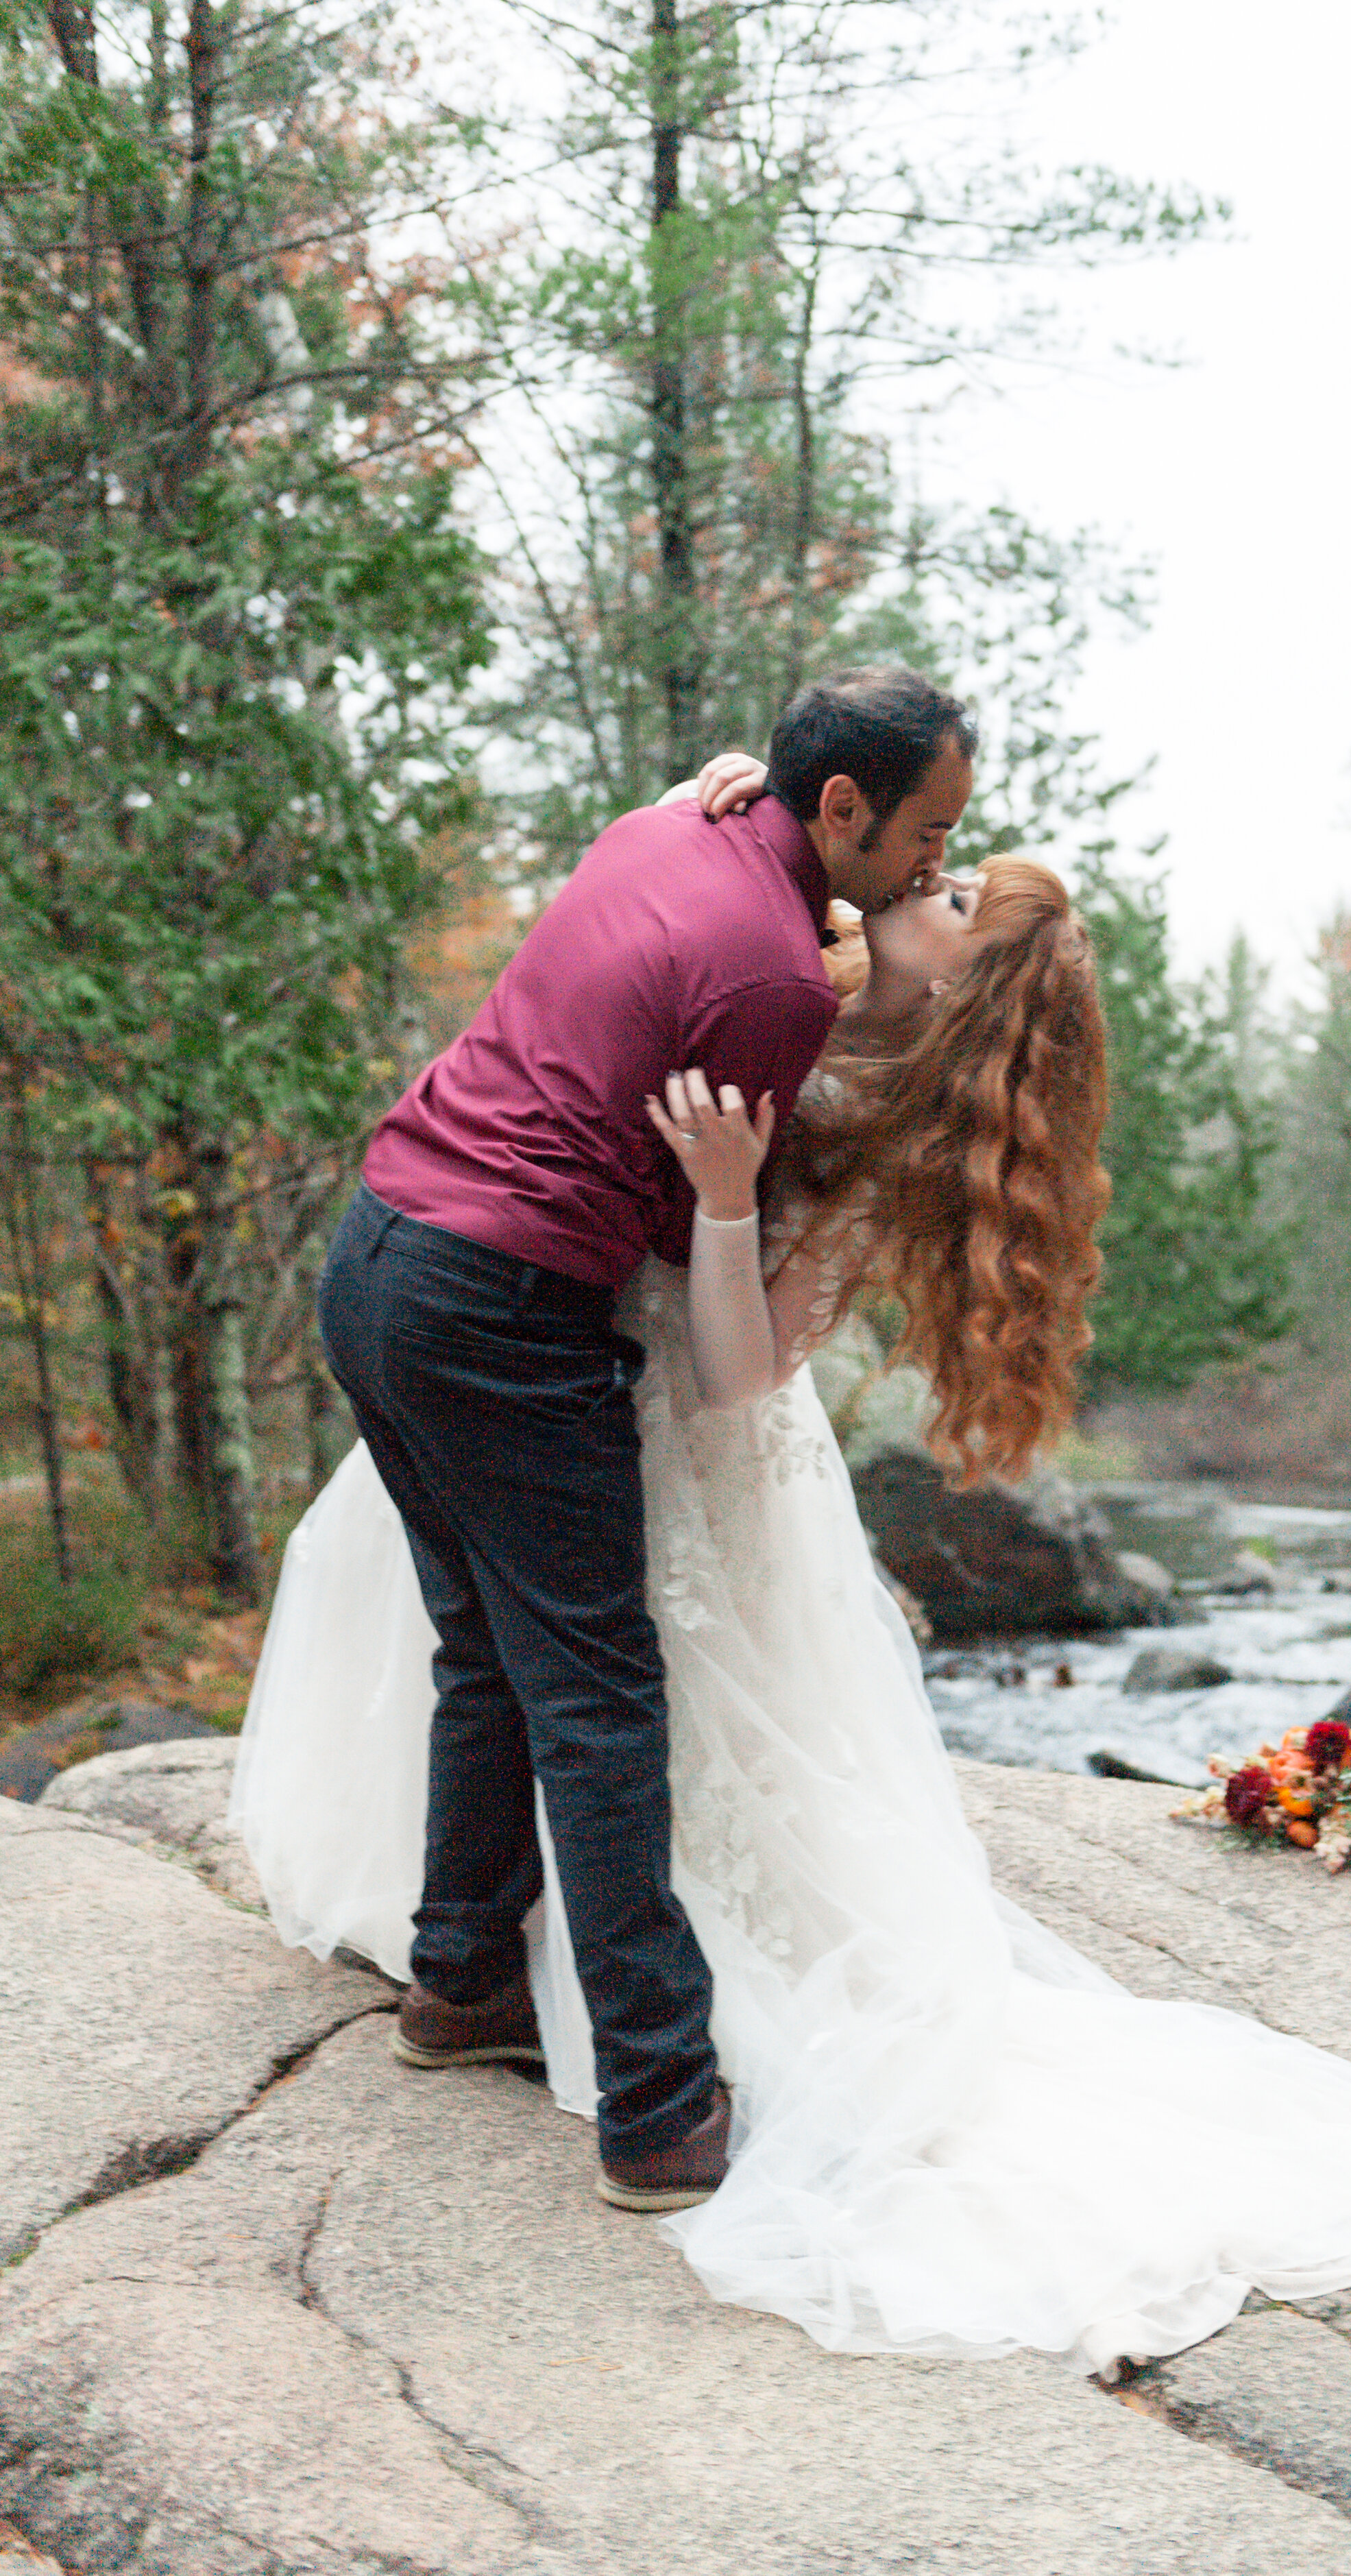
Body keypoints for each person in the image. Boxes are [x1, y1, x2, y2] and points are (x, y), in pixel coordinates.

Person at [234, 776, 1351, 2372]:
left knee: (606, 1698)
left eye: (964, 898)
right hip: (521, 1330)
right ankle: (472, 1961)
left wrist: (714, 1203)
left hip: (660, 1406)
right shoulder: (795, 968)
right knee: (497, 1657)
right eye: (939, 861)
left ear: (970, 986)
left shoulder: (887, 1130)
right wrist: (705, 799)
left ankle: (632, 2055)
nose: (933, 877)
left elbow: (736, 1376)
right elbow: (662, 914)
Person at [309, 666, 976, 2215]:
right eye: (925, 827)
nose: (939, 855)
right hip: (495, 1308)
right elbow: (685, 1246)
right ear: (836, 808)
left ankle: (462, 1980)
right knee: (598, 1695)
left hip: (376, 1254)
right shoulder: (778, 982)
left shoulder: (660, 824)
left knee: (483, 1645)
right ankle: (661, 2107)